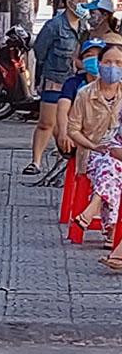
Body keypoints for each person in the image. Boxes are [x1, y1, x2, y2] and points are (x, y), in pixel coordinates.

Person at [30, 0, 91, 174]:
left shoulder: (84, 28)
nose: (84, 5)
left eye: (85, 1)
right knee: (47, 122)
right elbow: (40, 50)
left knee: (68, 124)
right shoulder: (54, 25)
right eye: (80, 1)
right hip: (55, 79)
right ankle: (36, 162)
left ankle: (64, 157)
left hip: (75, 82)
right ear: (69, 3)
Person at [68, 43, 122, 238]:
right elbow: (72, 129)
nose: (113, 67)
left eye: (118, 63)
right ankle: (112, 231)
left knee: (114, 162)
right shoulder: (85, 94)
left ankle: (93, 209)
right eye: (108, 62)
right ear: (99, 65)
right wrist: (94, 147)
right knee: (110, 165)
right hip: (92, 154)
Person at [56, 37, 109, 153]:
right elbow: (62, 109)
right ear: (80, 61)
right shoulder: (74, 83)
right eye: (89, 55)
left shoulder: (115, 85)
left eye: (99, 55)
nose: (94, 59)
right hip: (80, 135)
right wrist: (64, 133)